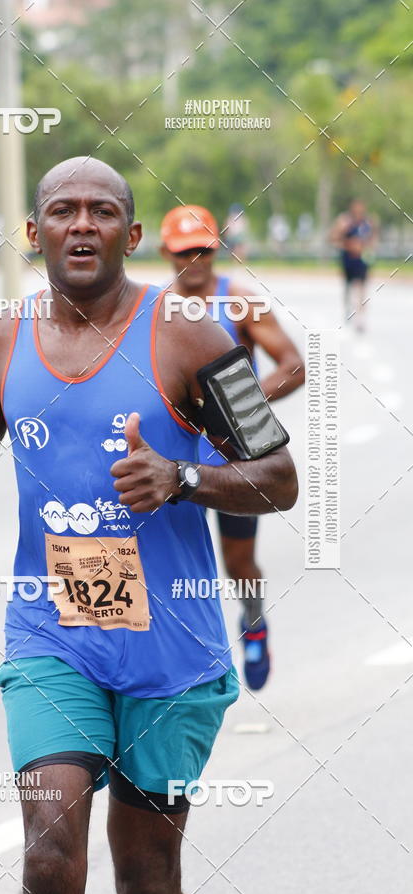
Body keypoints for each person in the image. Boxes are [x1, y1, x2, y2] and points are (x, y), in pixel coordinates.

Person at [0, 159, 298, 894]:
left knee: (148, 878)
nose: (82, 224)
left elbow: (279, 478)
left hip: (173, 650)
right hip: (52, 637)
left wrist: (181, 478)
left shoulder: (194, 340)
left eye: (101, 212)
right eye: (64, 211)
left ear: (130, 236)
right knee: (49, 858)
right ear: (35, 233)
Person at [160, 205, 304, 691]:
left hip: (236, 463)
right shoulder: (154, 311)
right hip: (174, 466)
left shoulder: (241, 303)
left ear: (216, 249)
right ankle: (179, 658)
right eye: (183, 251)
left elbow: (292, 365)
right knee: (171, 564)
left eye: (202, 249)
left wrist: (239, 402)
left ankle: (253, 617)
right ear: (165, 252)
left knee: (237, 563)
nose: (194, 260)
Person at [330, 199, 377, 331]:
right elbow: (333, 238)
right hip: (347, 259)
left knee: (361, 288)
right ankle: (348, 308)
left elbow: (373, 239)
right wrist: (348, 243)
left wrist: (365, 247)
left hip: (362, 259)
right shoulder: (344, 221)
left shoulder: (368, 222)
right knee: (348, 287)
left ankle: (360, 319)